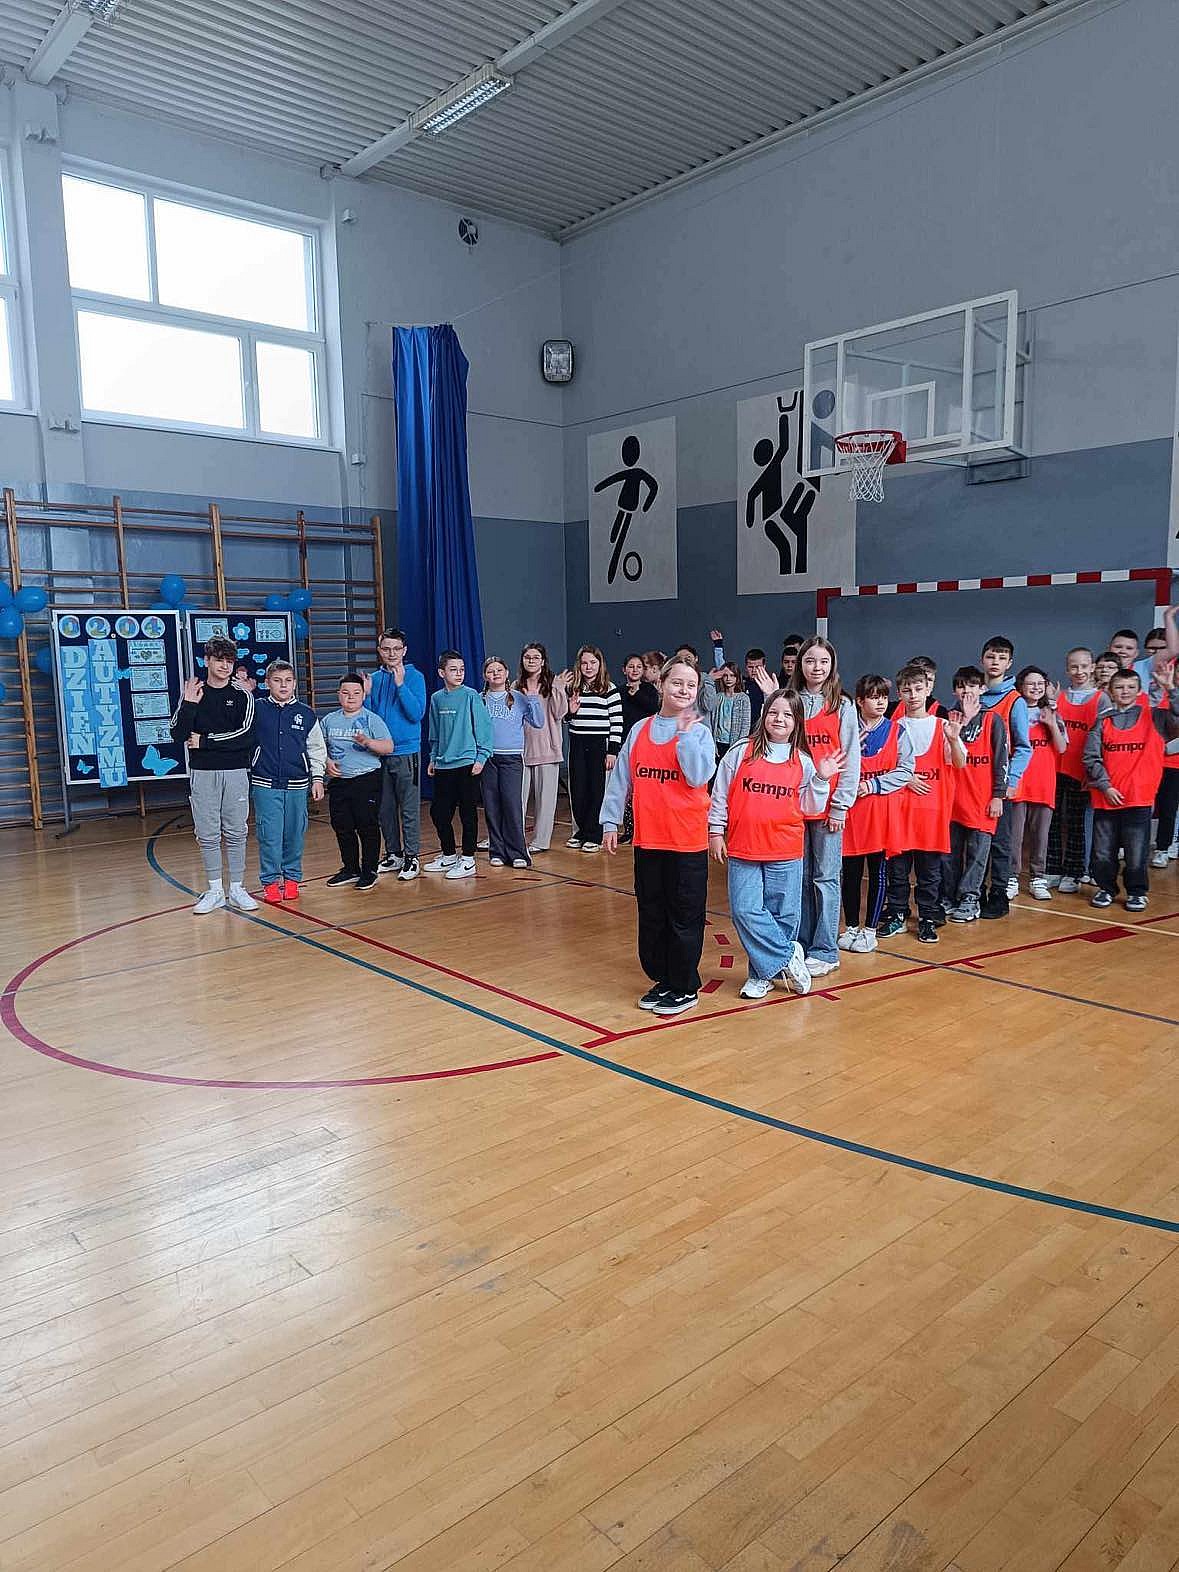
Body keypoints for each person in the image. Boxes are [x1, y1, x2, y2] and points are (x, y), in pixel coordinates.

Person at [709, 688, 842, 998]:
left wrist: (821, 780)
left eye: (787, 714)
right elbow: (720, 793)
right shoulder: (741, 751)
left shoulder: (803, 762)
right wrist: (716, 830)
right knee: (744, 910)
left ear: (797, 722)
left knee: (783, 915)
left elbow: (810, 807)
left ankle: (761, 975)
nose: (779, 719)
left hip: (785, 849)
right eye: (773, 712)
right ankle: (788, 955)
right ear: (763, 715)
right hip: (744, 847)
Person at [601, 658, 715, 1016]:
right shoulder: (640, 730)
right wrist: (610, 821)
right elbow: (622, 778)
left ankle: (684, 986)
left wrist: (685, 735)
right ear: (661, 684)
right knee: (652, 913)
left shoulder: (699, 732)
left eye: (691, 685)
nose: (684, 690)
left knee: (684, 916)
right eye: (677, 683)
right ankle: (663, 978)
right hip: (649, 840)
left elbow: (697, 776)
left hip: (686, 842)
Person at [776, 636, 861, 975]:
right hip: (795, 805)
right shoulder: (789, 701)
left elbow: (851, 757)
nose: (816, 667)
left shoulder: (843, 705)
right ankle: (802, 943)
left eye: (823, 661)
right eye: (810, 660)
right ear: (800, 664)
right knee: (800, 877)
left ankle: (826, 950)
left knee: (825, 878)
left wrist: (841, 805)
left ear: (832, 666)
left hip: (829, 808)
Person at [169, 634, 258, 915]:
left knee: (237, 831)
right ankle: (215, 890)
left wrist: (205, 741)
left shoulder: (242, 695)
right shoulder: (194, 693)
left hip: (235, 772)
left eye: (229, 661)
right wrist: (188, 704)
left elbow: (246, 737)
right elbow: (177, 734)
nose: (225, 666)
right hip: (202, 772)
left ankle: (237, 888)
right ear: (207, 660)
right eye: (219, 660)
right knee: (207, 833)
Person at [879, 663, 965, 943]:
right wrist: (906, 778)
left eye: (918, 689)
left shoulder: (943, 726)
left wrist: (954, 740)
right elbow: (883, 767)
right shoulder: (893, 728)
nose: (913, 695)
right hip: (899, 811)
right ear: (899, 693)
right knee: (898, 870)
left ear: (929, 689)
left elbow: (960, 764)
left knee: (930, 872)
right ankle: (897, 914)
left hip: (931, 812)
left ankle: (928, 916)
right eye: (907, 690)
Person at [840, 674, 914, 953]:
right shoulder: (847, 730)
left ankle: (870, 930)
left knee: (878, 872)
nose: (880, 702)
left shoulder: (897, 731)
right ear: (860, 701)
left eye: (883, 697)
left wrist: (873, 785)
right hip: (851, 813)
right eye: (873, 697)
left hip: (881, 813)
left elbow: (906, 771)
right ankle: (851, 927)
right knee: (850, 873)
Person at [1084, 668, 1164, 911]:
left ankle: (1137, 892)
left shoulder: (1154, 718)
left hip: (1138, 799)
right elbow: (1091, 757)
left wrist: (1171, 688)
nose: (1125, 691)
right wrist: (1105, 786)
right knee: (1102, 851)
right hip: (1106, 798)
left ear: (1139, 691)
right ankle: (1106, 888)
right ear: (1110, 691)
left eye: (1130, 687)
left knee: (1136, 851)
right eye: (1119, 687)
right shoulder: (1102, 721)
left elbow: (1176, 718)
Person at [249, 659, 326, 904]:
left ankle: (292, 879)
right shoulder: (256, 709)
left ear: (294, 683)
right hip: (265, 783)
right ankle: (270, 882)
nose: (283, 685)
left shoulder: (306, 714)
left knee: (294, 834)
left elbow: (316, 748)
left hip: (297, 785)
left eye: (288, 680)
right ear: (267, 683)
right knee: (269, 835)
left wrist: (317, 778)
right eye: (277, 680)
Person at [944, 665, 1007, 922]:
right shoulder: (947, 718)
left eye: (971, 685)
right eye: (960, 686)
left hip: (982, 799)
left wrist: (998, 795)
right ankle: (948, 896)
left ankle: (970, 898)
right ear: (954, 691)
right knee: (949, 854)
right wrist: (964, 721)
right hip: (952, 799)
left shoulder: (993, 720)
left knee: (977, 854)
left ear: (982, 688)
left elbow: (1002, 760)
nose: (966, 691)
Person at [320, 673, 394, 892]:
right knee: (342, 826)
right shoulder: (329, 720)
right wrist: (326, 762)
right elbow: (318, 747)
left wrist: (368, 742)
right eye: (346, 693)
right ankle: (350, 869)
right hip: (339, 781)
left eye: (356, 693)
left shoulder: (372, 719)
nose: (350, 697)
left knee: (367, 825)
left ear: (363, 695)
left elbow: (388, 747)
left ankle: (369, 871)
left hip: (366, 779)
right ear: (338, 695)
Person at [365, 627, 427, 882]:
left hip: (406, 752)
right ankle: (394, 853)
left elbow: (416, 713)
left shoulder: (415, 677)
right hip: (380, 753)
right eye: (386, 649)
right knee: (385, 808)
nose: (391, 653)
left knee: (409, 809)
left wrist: (400, 685)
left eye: (396, 649)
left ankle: (412, 856)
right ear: (379, 650)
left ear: (404, 650)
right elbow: (369, 718)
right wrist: (367, 695)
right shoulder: (374, 678)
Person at [425, 650, 493, 880]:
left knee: (467, 813)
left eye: (462, 669)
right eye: (453, 670)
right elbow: (435, 732)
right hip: (443, 765)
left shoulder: (471, 696)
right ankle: (448, 855)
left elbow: (484, 729)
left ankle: (468, 859)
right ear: (441, 673)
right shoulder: (436, 698)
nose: (459, 673)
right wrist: (434, 757)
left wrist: (481, 758)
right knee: (439, 812)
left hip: (467, 764)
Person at [977, 635, 1032, 919]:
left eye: (1001, 658)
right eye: (991, 656)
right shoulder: (973, 696)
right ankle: (975, 891)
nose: (995, 662)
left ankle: (999, 893)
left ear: (1009, 663)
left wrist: (1011, 781)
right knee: (975, 843)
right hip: (973, 783)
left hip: (998, 785)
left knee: (999, 842)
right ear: (982, 660)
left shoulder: (1014, 700)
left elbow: (1023, 746)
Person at [1008, 665, 1067, 899]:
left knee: (1040, 835)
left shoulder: (1052, 713)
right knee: (1014, 836)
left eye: (1040, 683)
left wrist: (1051, 723)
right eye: (1030, 683)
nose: (1036, 687)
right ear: (1020, 686)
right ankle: (1011, 877)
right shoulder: (1013, 711)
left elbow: (1061, 748)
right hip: (1018, 782)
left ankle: (1037, 878)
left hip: (1043, 783)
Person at [480, 656, 543, 868]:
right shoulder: (480, 699)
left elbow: (538, 722)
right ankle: (497, 851)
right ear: (485, 676)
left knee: (512, 805)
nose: (495, 674)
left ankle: (518, 853)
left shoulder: (518, 697)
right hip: (488, 758)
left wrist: (533, 698)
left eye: (499, 670)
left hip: (512, 758)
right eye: (491, 671)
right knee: (492, 806)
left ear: (506, 673)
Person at [1048, 647, 1101, 893]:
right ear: (1067, 669)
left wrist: (1093, 771)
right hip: (1056, 768)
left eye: (1084, 666)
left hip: (1081, 770)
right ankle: (1052, 869)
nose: (1079, 671)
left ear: (1092, 667)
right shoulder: (1059, 697)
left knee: (1076, 822)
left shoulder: (1101, 699)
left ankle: (1074, 871)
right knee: (1053, 820)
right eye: (1074, 667)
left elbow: (1102, 740)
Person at [561, 645, 622, 853]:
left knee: (597, 791)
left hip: (599, 744)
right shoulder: (573, 688)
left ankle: (594, 834)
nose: (588, 667)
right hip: (578, 743)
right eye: (584, 663)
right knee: (578, 790)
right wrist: (570, 712)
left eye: (593, 663)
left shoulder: (609, 688)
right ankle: (581, 832)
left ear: (600, 664)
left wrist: (612, 751)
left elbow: (617, 722)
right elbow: (565, 719)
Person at [517, 642, 568, 855]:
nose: (531, 661)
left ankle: (541, 840)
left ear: (543, 661)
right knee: (516, 800)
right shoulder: (516, 686)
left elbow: (560, 712)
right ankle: (515, 838)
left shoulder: (552, 684)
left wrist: (559, 688)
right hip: (521, 750)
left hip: (547, 749)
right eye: (527, 657)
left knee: (545, 801)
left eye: (536, 657)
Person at [1150, 654, 1179, 867]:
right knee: (1143, 807)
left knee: (1168, 807)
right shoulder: (1156, 696)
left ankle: (1162, 848)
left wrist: (1167, 747)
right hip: (1149, 761)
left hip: (1173, 763)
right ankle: (1126, 845)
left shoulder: (1173, 697)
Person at [702, 661, 752, 755]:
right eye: (725, 676)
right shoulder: (718, 697)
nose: (729, 679)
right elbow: (712, 722)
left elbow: (745, 725)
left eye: (732, 675)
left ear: (737, 678)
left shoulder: (743, 698)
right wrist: (713, 744)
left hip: (734, 743)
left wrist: (739, 746)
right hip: (718, 742)